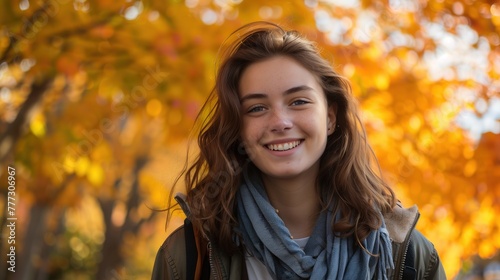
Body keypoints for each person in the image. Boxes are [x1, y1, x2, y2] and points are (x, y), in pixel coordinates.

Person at [151, 21, 446, 280]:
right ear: (238, 129)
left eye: (299, 102)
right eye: (256, 108)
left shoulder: (407, 257)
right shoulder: (190, 257)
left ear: (330, 117)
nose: (279, 122)